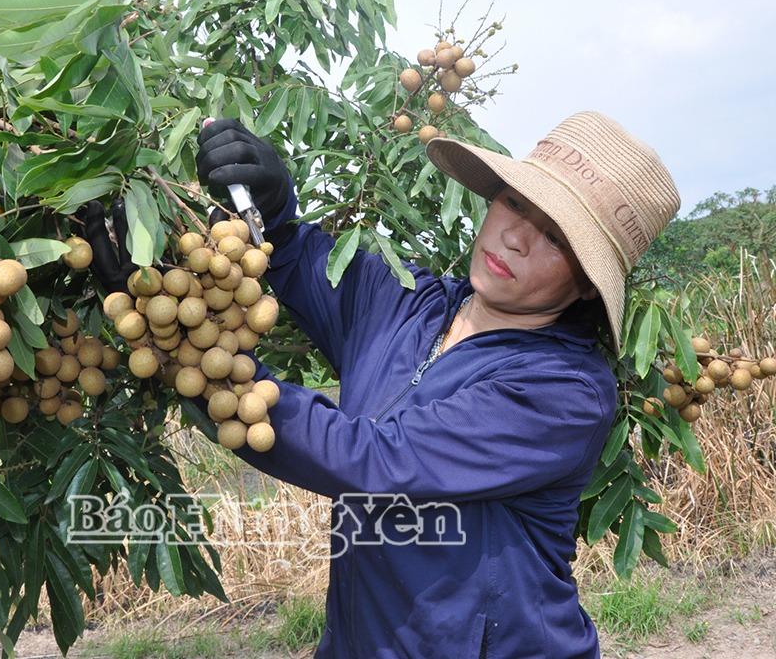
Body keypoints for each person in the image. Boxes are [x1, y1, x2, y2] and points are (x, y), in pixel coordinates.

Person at [87, 111, 680, 658]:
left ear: (585, 286)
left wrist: (183, 345)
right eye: (513, 204)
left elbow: (377, 461)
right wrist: (265, 201)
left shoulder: (565, 390)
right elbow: (291, 254)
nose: (515, 237)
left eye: (555, 238)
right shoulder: (407, 304)